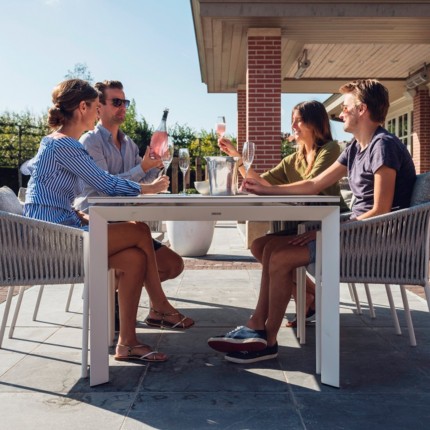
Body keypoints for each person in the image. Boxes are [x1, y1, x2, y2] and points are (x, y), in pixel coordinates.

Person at [208, 79, 416, 363]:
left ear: (362, 110)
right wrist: (267, 189)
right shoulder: (356, 147)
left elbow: (380, 211)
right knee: (269, 249)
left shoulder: (384, 146)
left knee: (279, 257)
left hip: (374, 241)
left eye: (345, 108)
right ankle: (257, 326)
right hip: (354, 231)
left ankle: (266, 339)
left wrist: (327, 233)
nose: (340, 113)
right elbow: (315, 182)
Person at [24, 78, 193, 364]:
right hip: (53, 240)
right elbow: (105, 183)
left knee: (133, 259)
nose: (97, 113)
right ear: (83, 107)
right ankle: (160, 307)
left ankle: (127, 343)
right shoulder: (66, 145)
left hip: (58, 228)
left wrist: (81, 214)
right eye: (95, 107)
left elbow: (52, 197)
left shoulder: (58, 144)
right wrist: (148, 188)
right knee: (139, 231)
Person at [218, 100, 348, 326]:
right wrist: (238, 158)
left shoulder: (330, 150)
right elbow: (261, 181)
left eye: (298, 121)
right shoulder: (293, 159)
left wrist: (266, 190)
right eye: (292, 122)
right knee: (258, 245)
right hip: (301, 224)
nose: (293, 127)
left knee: (274, 254)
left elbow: (311, 184)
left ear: (315, 123)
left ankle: (298, 302)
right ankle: (311, 293)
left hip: (327, 224)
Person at [74, 80, 187, 330]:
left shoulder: (129, 144)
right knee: (139, 241)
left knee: (173, 264)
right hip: (99, 222)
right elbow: (105, 186)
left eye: (124, 102)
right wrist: (142, 169)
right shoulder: (90, 142)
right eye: (116, 102)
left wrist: (154, 166)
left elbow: (141, 179)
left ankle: (134, 299)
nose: (122, 107)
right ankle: (118, 299)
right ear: (99, 107)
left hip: (125, 222)